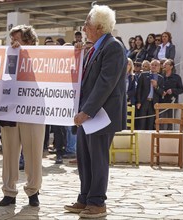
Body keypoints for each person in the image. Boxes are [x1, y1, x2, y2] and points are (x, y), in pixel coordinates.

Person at [63, 5, 127, 218]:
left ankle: (97, 202)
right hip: (89, 115)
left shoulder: (113, 47)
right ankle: (85, 198)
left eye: (87, 24)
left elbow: (105, 84)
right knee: (84, 158)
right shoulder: (95, 47)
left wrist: (87, 111)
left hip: (101, 116)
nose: (84, 27)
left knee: (98, 159)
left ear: (99, 26)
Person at [0, 24, 45, 207]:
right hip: (10, 110)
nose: (13, 43)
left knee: (33, 152)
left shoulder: (44, 58)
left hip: (33, 111)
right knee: (9, 152)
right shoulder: (8, 57)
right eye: (12, 40)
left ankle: (33, 191)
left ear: (30, 41)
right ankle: (9, 191)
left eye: (17, 39)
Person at [136, 59, 164, 130]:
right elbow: (138, 89)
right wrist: (138, 101)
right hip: (143, 102)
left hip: (153, 103)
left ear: (159, 67)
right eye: (152, 65)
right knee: (141, 123)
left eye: (156, 65)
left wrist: (156, 86)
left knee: (150, 123)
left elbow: (161, 92)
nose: (154, 66)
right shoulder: (143, 75)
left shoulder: (161, 78)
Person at [159, 59, 183, 130]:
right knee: (161, 121)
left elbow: (181, 90)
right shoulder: (160, 76)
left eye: (166, 64)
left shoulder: (177, 77)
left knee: (170, 121)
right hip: (162, 102)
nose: (164, 65)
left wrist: (173, 90)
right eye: (164, 64)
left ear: (171, 66)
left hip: (172, 102)